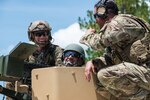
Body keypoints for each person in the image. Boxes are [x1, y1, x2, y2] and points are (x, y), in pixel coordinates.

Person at [80, 0, 150, 100]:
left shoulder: (119, 23)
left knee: (105, 75)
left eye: (95, 16)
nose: (95, 20)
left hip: (146, 71)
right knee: (98, 82)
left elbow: (97, 43)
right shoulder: (116, 34)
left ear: (102, 13)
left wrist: (88, 35)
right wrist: (94, 62)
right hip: (143, 73)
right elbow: (111, 59)